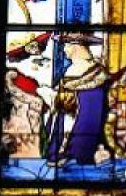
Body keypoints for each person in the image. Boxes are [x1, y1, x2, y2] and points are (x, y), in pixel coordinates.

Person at [45, 33, 115, 166]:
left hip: (82, 139)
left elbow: (90, 114)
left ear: (76, 46)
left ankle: (76, 152)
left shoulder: (94, 74)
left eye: (67, 45)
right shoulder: (72, 71)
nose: (64, 49)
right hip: (67, 127)